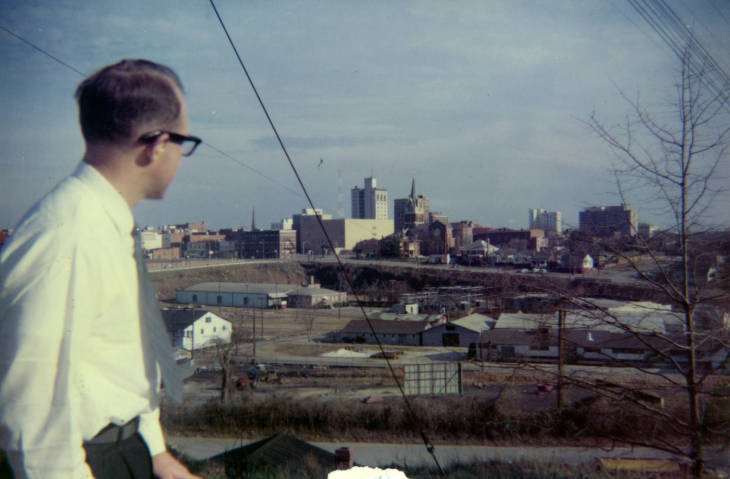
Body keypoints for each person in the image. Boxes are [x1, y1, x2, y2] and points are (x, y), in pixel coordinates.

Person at [0, 60, 203, 479]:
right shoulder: (65, 233)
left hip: (128, 451)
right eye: (184, 143)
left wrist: (156, 454)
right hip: (86, 464)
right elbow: (32, 422)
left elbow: (120, 361)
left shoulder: (106, 222)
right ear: (157, 145)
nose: (181, 158)